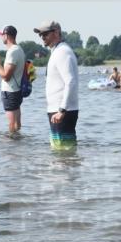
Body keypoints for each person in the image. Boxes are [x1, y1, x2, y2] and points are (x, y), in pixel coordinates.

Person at [34, 20, 78, 149]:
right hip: (57, 111)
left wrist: (62, 110)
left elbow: (71, 81)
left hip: (62, 112)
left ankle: (65, 170)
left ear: (56, 32)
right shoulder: (57, 51)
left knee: (63, 152)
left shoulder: (62, 52)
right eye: (40, 34)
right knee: (60, 151)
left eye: (45, 33)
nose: (42, 37)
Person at [0, 24, 26, 134]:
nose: (1, 37)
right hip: (16, 90)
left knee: (12, 125)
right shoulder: (19, 49)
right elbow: (8, 73)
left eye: (2, 35)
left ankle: (11, 148)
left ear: (6, 36)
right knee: (17, 124)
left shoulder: (12, 51)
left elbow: (6, 76)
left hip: (10, 92)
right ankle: (18, 146)